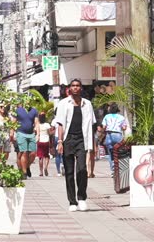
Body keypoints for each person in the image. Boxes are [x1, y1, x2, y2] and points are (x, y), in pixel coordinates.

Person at [53, 78, 95, 212]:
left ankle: (81, 198)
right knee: (69, 172)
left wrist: (91, 144)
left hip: (82, 139)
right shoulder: (63, 103)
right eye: (73, 86)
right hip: (68, 139)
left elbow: (90, 125)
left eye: (78, 86)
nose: (75, 88)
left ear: (81, 88)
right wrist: (60, 142)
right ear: (69, 88)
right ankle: (72, 201)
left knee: (82, 169)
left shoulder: (87, 104)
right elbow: (60, 123)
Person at [14, 102, 39, 177]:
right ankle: (24, 172)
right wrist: (13, 133)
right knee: (24, 152)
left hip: (31, 134)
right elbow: (13, 122)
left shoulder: (34, 110)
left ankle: (27, 166)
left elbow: (36, 123)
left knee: (33, 153)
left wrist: (38, 134)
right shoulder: (18, 110)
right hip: (21, 133)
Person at [102, 103, 128, 171]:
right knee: (119, 152)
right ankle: (118, 168)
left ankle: (113, 169)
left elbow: (104, 127)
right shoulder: (121, 117)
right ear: (117, 109)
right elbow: (124, 127)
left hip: (109, 135)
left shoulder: (107, 116)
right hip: (118, 135)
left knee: (110, 153)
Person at [36, 112, 53, 177]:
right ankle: (45, 167)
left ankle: (41, 172)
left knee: (40, 157)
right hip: (46, 141)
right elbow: (49, 133)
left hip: (40, 141)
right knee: (46, 156)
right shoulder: (47, 125)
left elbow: (35, 132)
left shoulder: (38, 125)